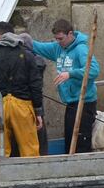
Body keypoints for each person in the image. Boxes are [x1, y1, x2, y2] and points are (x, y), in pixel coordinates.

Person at [32, 19, 99, 153]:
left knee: (81, 143)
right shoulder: (58, 47)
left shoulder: (81, 49)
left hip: (84, 102)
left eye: (61, 38)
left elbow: (93, 70)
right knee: (70, 142)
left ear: (70, 34)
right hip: (71, 103)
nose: (58, 42)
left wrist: (71, 74)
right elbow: (37, 46)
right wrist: (20, 39)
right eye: (56, 39)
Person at [0, 24, 43, 158]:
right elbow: (35, 85)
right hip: (22, 106)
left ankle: (1, 177)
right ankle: (32, 176)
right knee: (29, 149)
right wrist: (38, 111)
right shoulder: (27, 56)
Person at [18, 32, 49, 156]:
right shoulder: (38, 60)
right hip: (35, 105)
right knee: (40, 140)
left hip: (24, 107)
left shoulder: (31, 61)